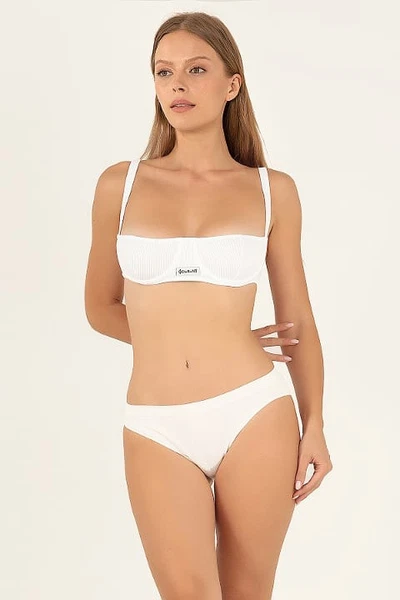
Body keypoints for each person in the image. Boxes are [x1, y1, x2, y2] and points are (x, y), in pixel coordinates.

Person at [84, 11, 333, 600]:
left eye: (196, 70)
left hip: (256, 413)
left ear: (231, 84)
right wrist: (190, 337)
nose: (178, 84)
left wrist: (316, 424)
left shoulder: (272, 190)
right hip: (156, 424)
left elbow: (298, 320)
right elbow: (100, 306)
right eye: (164, 71)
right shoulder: (120, 185)